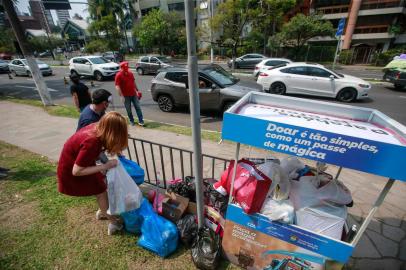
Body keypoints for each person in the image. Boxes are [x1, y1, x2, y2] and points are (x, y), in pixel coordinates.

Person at [57, 111, 128, 235]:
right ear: (112, 132)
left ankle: (102, 212)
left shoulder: (99, 127)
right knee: (100, 191)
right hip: (72, 169)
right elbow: (77, 171)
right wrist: (105, 165)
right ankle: (113, 222)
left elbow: (99, 149)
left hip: (79, 163)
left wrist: (114, 152)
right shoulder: (92, 141)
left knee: (100, 187)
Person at [115, 61, 144, 126]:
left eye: (127, 67)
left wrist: (137, 90)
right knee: (128, 109)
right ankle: (131, 121)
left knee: (138, 107)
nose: (126, 69)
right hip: (125, 96)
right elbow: (117, 86)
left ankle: (141, 121)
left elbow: (133, 82)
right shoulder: (118, 75)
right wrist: (121, 96)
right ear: (121, 68)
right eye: (125, 68)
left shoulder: (130, 73)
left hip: (133, 94)